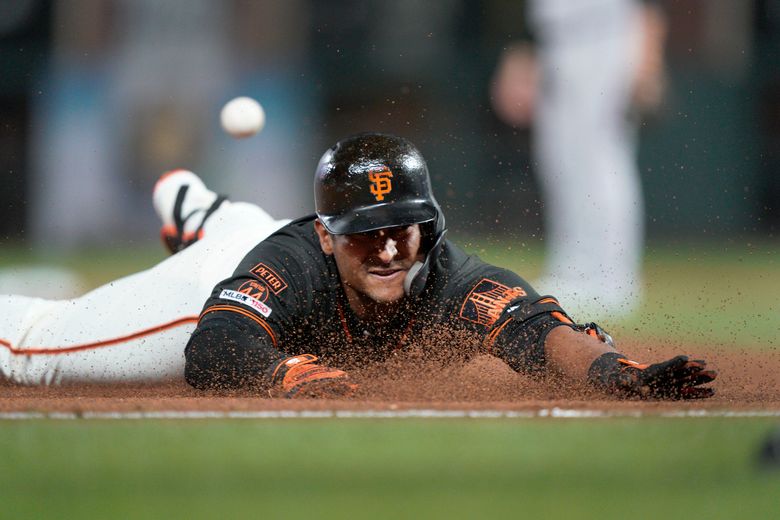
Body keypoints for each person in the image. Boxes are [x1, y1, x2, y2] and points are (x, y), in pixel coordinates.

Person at [0, 133, 715, 399]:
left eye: (401, 227)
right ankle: (204, 224)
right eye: (362, 233)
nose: (387, 248)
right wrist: (283, 371)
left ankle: (198, 208)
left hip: (261, 243)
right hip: (207, 292)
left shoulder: (454, 282)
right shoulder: (295, 264)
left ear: (428, 226)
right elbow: (215, 347)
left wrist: (612, 372)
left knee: (241, 229)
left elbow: (535, 329)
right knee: (37, 353)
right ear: (326, 236)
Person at [491, 0, 668, 318]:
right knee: (559, 162)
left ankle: (613, 280)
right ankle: (573, 270)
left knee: (600, 160)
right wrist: (524, 50)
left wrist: (649, 52)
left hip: (606, 38)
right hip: (554, 40)